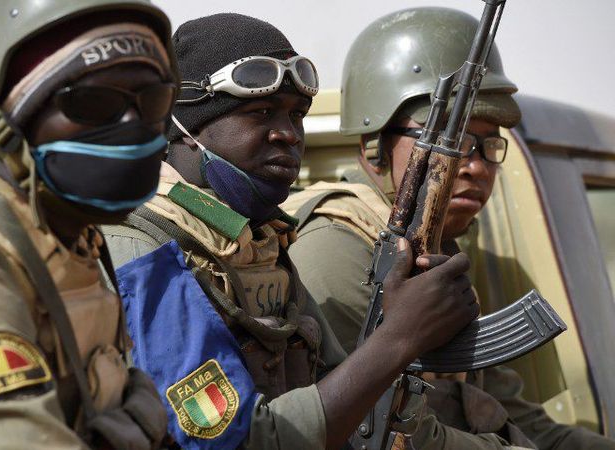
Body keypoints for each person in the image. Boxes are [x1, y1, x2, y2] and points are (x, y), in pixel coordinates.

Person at [102, 13, 479, 450]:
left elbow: (350, 409)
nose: (288, 134)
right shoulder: (143, 251)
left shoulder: (259, 243)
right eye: (261, 112)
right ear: (187, 128)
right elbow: (231, 442)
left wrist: (403, 319)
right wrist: (398, 339)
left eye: (297, 114)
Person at [284, 7, 615, 450]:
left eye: (489, 143)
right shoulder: (337, 252)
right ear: (372, 147)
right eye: (451, 141)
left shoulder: (435, 249)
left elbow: (513, 416)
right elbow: (384, 435)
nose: (474, 165)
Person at [0, 0, 180, 448]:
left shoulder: (66, 234)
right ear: (9, 118)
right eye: (93, 102)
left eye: (153, 100)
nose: (133, 125)